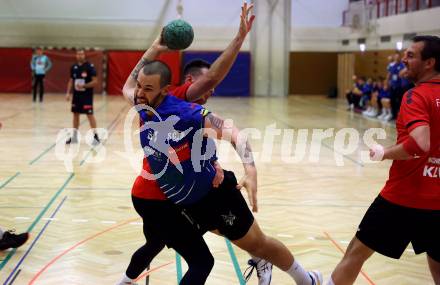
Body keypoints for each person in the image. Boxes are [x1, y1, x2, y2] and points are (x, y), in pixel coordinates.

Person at [120, 59, 322, 285]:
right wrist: (156, 47)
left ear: (165, 90)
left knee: (259, 244)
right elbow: (127, 87)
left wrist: (251, 169)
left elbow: (235, 134)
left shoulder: (187, 114)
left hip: (215, 196)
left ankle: (307, 280)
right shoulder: (143, 105)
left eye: (147, 88)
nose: (139, 93)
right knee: (190, 251)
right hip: (186, 202)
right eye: (139, 86)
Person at [119, 3, 275, 285]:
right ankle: (260, 252)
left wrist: (155, 48)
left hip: (157, 192)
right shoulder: (178, 100)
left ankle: (123, 282)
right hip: (164, 196)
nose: (211, 90)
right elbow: (214, 76)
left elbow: (130, 86)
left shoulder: (150, 102)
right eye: (206, 85)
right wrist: (239, 38)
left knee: (154, 245)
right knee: (203, 257)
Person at [326, 35, 440, 285]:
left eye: (411, 55)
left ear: (429, 62)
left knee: (355, 253)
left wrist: (384, 152)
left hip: (403, 197)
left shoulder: (416, 96)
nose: (403, 59)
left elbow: (421, 143)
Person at [65, 49, 100, 145]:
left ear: (84, 55)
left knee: (89, 115)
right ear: (76, 55)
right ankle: (74, 137)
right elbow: (71, 80)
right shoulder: (74, 67)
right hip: (76, 96)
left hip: (86, 96)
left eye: (81, 54)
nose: (80, 55)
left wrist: (84, 86)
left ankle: (96, 137)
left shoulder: (89, 67)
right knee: (75, 114)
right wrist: (68, 93)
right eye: (78, 54)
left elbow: (95, 81)